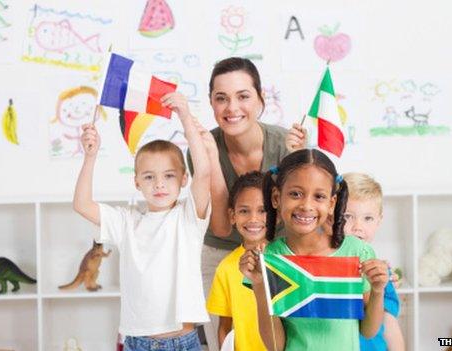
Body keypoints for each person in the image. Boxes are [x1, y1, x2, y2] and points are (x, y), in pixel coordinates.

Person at [73, 91, 211, 351]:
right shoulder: (126, 222)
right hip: (139, 344)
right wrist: (90, 156)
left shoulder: (189, 218)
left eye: (169, 176)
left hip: (183, 342)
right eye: (149, 177)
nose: (159, 183)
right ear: (136, 182)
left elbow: (203, 172)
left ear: (183, 180)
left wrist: (185, 116)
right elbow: (82, 204)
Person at [189, 57, 306, 350]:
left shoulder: (284, 145)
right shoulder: (202, 149)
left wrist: (298, 162)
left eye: (243, 96)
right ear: (211, 103)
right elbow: (219, 225)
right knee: (231, 338)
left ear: (260, 99)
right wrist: (213, 160)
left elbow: (303, 216)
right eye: (221, 98)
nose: (232, 108)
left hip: (276, 252)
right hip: (222, 254)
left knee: (284, 337)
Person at [239, 149, 388, 350]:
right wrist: (258, 284)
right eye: (295, 194)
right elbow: (275, 346)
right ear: (276, 197)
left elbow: (368, 331)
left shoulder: (357, 251)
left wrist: (378, 290)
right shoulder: (271, 258)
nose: (306, 205)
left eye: (319, 196)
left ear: (331, 203)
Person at [206, 171, 268, 351]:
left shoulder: (286, 258)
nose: (253, 219)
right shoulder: (226, 267)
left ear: (275, 213)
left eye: (262, 210)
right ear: (232, 216)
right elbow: (224, 326)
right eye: (244, 211)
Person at [343, 173, 405, 351]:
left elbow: (390, 325)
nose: (358, 226)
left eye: (367, 218)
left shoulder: (380, 274)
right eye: (348, 217)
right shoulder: (326, 266)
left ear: (379, 221)